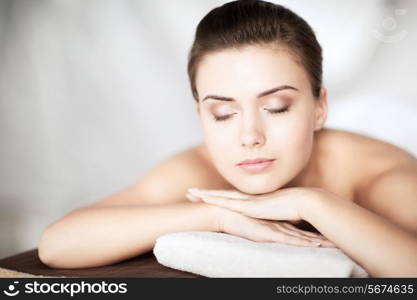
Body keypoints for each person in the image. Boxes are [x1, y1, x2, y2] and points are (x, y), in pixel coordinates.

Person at [38, 0, 417, 277]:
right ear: (201, 114)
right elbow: (57, 245)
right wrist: (218, 216)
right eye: (223, 113)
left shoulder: (377, 172)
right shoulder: (198, 171)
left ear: (319, 107)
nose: (250, 136)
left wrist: (312, 203)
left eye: (277, 107)